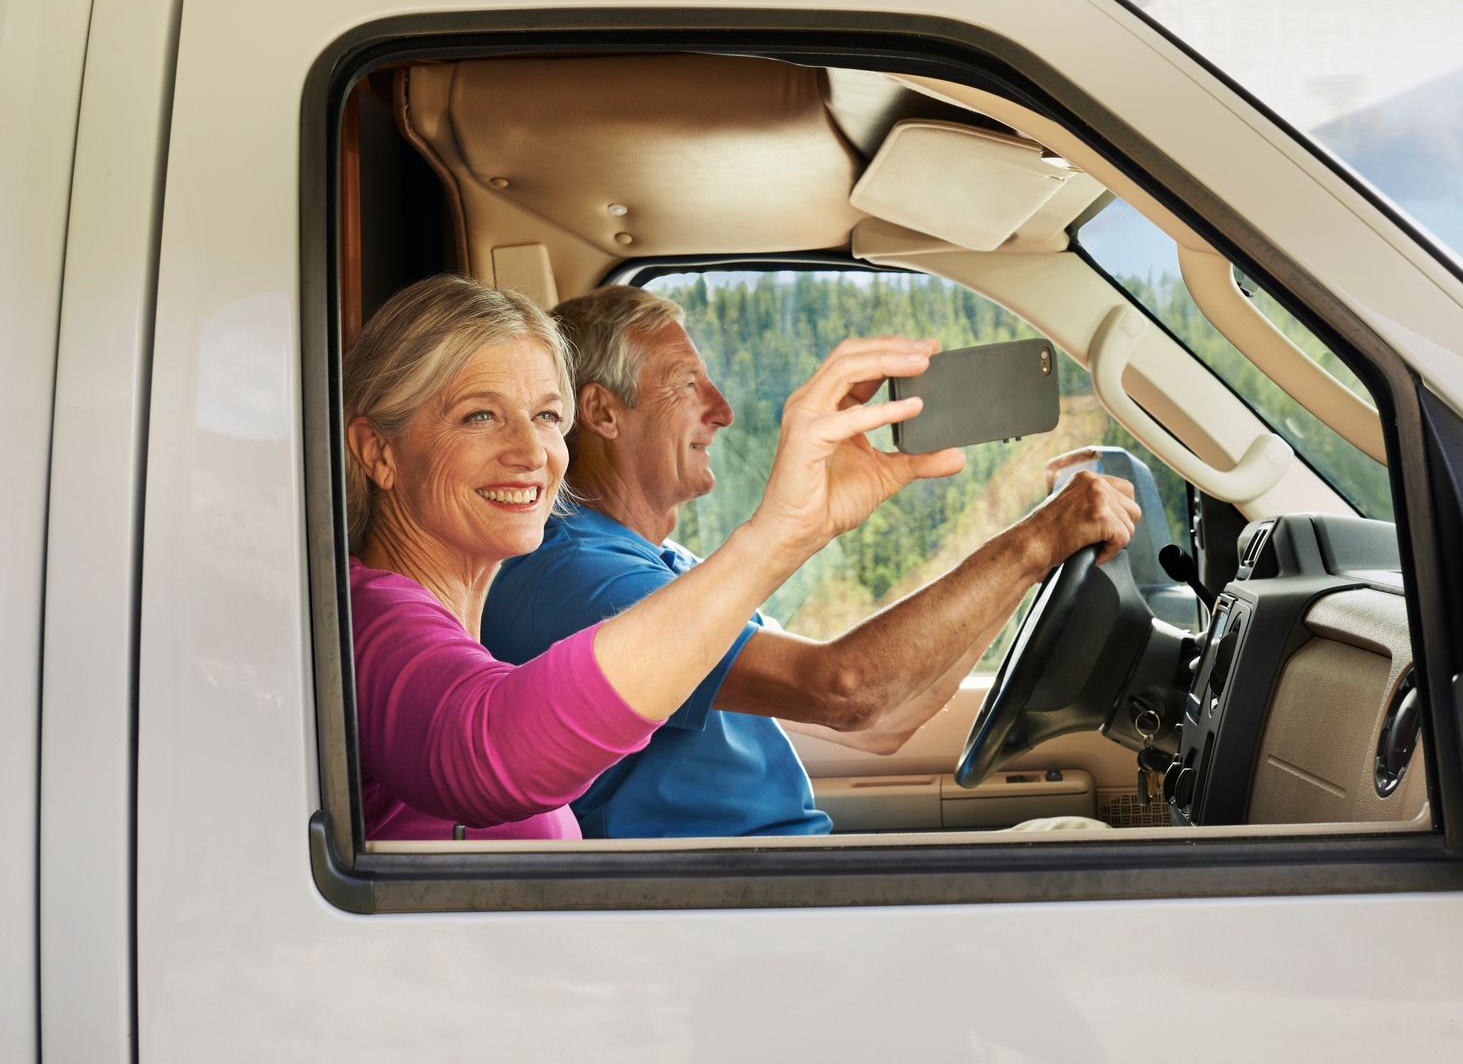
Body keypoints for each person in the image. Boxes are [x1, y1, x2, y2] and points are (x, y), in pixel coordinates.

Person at [483, 285, 1142, 838]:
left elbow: (885, 722)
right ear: (601, 410)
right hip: (719, 918)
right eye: (689, 384)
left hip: (774, 889)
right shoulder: (576, 578)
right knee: (1087, 848)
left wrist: (1026, 568)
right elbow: (843, 691)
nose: (723, 410)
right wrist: (1031, 545)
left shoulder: (661, 562)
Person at [342, 273, 962, 840]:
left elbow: (876, 717)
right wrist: (778, 536)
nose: (532, 451)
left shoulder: (445, 627)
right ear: (378, 452)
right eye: (480, 416)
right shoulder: (370, 624)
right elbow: (489, 756)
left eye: (546, 417)